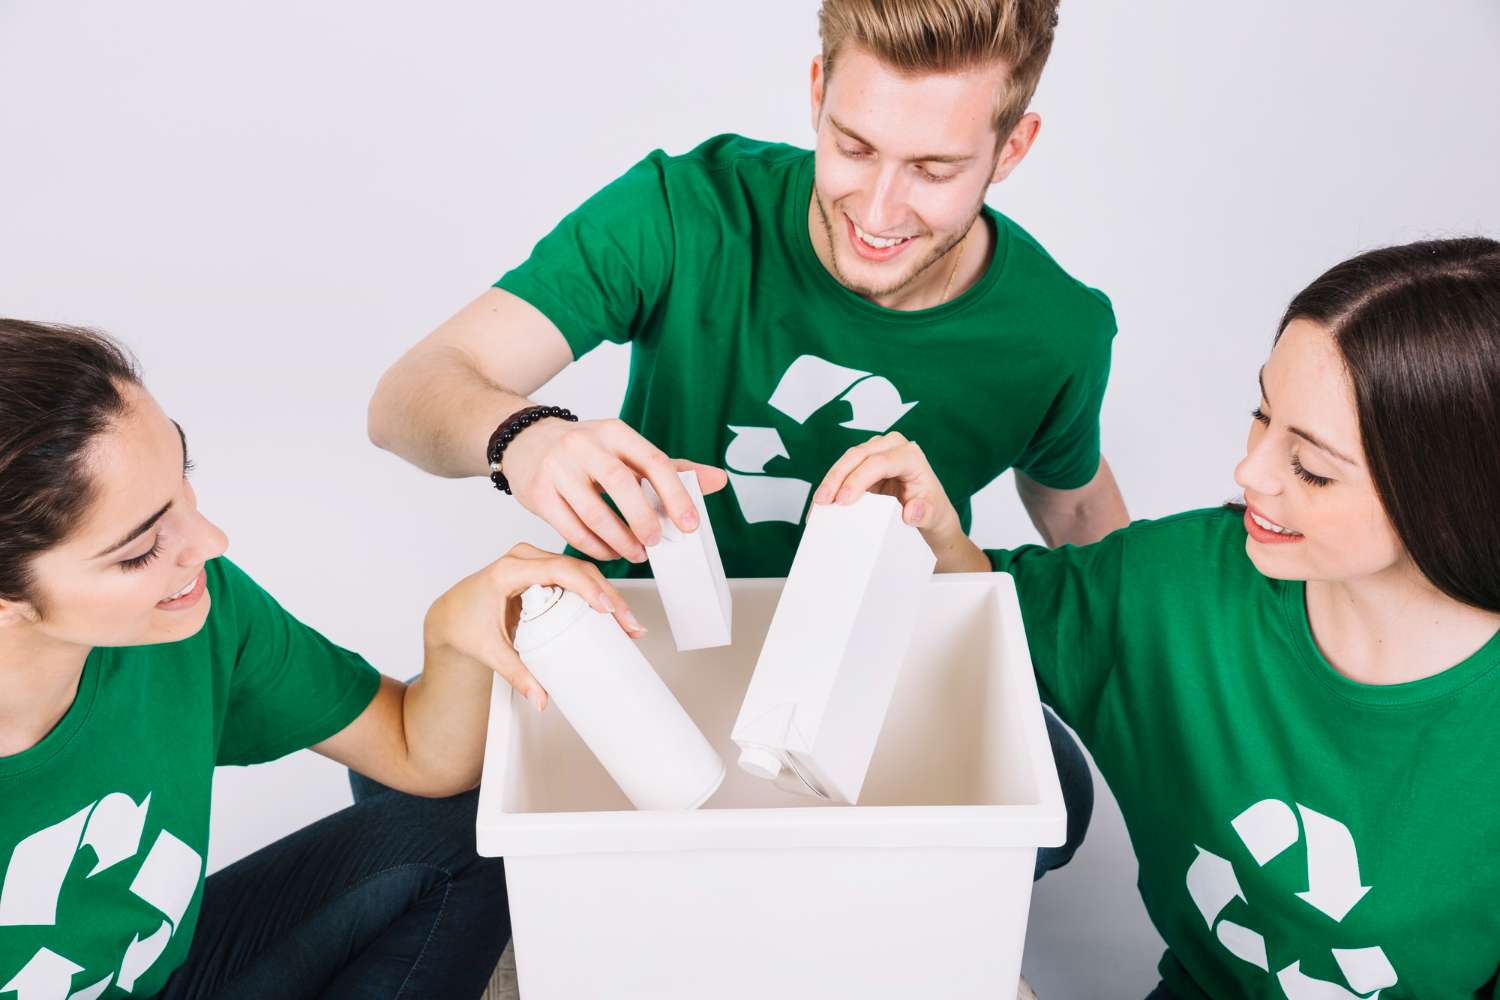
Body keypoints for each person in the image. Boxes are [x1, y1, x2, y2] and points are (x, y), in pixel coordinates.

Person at [366, 0, 1122, 883]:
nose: (878, 209)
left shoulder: (1055, 333)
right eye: (853, 147)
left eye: (933, 169)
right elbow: (407, 396)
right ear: (815, 93)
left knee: (1054, 797)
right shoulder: (686, 211)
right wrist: (525, 438)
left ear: (1014, 148)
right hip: (637, 642)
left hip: (863, 667)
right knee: (401, 795)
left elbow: (1077, 510)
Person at [816, 237, 1500, 998]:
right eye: (1260, 415)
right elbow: (994, 617)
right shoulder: (1181, 586)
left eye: (1311, 466)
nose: (1251, 472)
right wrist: (933, 531)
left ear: (1444, 494)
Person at [0, 319, 637, 999]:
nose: (210, 542)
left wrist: (453, 633)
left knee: (469, 833)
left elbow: (416, 754)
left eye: (182, 477)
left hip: (171, 978)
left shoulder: (195, 613)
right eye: (139, 550)